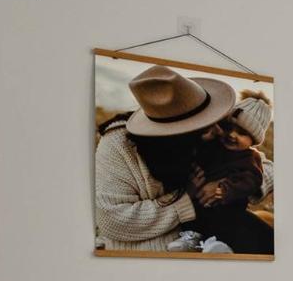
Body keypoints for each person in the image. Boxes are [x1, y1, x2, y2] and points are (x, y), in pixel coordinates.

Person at [94, 64, 236, 252]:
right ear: (180, 137)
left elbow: (261, 164)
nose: (219, 132)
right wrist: (186, 199)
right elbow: (112, 221)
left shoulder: (204, 139)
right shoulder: (118, 145)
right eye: (208, 127)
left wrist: (224, 186)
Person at [189, 91, 274, 255]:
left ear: (253, 140)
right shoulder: (214, 144)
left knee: (226, 224)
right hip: (197, 204)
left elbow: (252, 179)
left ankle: (217, 246)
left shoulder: (250, 158)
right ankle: (192, 238)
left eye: (242, 133)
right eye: (229, 127)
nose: (232, 135)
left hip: (227, 206)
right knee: (197, 218)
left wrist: (226, 187)